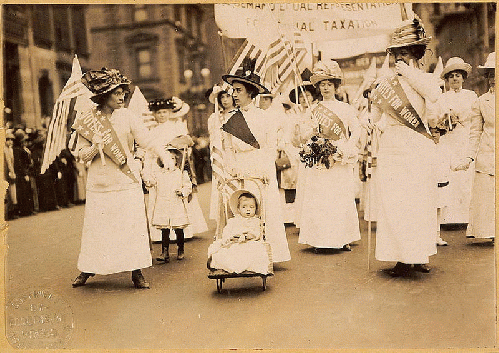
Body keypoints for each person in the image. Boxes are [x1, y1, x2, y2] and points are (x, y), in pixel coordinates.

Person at [71, 68, 171, 289]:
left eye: (123, 92)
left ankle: (137, 271)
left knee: (131, 227)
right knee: (98, 229)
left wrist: (164, 154)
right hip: (100, 182)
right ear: (104, 95)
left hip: (126, 181)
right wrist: (94, 147)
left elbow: (147, 140)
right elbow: (80, 155)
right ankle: (88, 267)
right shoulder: (88, 120)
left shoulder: (127, 116)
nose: (121, 96)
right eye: (116, 93)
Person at [370, 17, 441, 276]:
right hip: (393, 146)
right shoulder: (385, 83)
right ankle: (399, 257)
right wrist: (371, 116)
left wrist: (408, 73)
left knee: (418, 202)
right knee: (395, 202)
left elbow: (433, 96)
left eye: (406, 52)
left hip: (417, 146)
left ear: (416, 54)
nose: (400, 58)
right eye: (397, 53)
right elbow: (374, 117)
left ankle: (418, 255)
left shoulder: (423, 79)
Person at [222, 58, 291, 263]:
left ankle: (267, 256)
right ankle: (244, 257)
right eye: (233, 90)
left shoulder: (264, 118)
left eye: (238, 90)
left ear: (250, 93)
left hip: (260, 168)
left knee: (264, 210)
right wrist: (231, 168)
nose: (234, 94)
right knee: (241, 210)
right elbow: (227, 148)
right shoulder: (229, 119)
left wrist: (265, 171)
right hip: (239, 168)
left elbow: (269, 147)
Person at [295, 60, 361, 251]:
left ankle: (343, 238)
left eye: (329, 84)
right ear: (318, 87)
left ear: (335, 86)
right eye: (322, 85)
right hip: (319, 160)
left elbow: (355, 131)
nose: (325, 88)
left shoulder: (346, 108)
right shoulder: (312, 110)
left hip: (339, 158)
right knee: (321, 199)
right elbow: (304, 136)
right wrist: (312, 133)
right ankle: (320, 240)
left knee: (340, 198)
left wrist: (346, 149)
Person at [143, 98, 208, 242]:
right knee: (160, 197)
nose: (162, 115)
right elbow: (149, 151)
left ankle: (182, 230)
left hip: (175, 166)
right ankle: (160, 233)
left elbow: (185, 148)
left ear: (170, 113)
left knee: (177, 196)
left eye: (165, 112)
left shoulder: (176, 128)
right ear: (154, 114)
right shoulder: (152, 132)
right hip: (158, 168)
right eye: (159, 112)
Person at [433, 57, 478, 235]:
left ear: (463, 78)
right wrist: (446, 119)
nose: (454, 79)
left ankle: (466, 217)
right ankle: (449, 217)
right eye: (451, 76)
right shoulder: (442, 98)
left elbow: (475, 117)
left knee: (466, 177)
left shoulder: (471, 95)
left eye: (458, 75)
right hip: (449, 140)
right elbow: (437, 119)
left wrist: (461, 118)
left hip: (465, 138)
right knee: (450, 175)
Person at [454, 52, 495, 242]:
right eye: (490, 74)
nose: (493, 78)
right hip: (487, 156)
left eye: (496, 73)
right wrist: (468, 158)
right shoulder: (481, 101)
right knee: (487, 198)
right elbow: (475, 133)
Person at [208, 190, 272, 274]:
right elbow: (227, 232)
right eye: (244, 207)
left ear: (256, 208)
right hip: (234, 243)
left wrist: (247, 236)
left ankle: (241, 266)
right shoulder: (233, 221)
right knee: (226, 253)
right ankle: (226, 265)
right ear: (238, 209)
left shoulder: (255, 221)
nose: (248, 210)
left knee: (255, 251)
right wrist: (230, 238)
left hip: (249, 243)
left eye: (251, 207)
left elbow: (257, 233)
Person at [148, 148, 192, 262]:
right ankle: (165, 251)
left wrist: (182, 191)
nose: (169, 161)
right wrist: (149, 182)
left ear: (177, 161)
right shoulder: (158, 174)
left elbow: (188, 187)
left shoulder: (181, 173)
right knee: (165, 229)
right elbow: (152, 183)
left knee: (178, 228)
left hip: (176, 203)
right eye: (166, 158)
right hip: (163, 204)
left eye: (172, 158)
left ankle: (180, 249)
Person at [207, 86, 237, 234]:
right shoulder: (215, 118)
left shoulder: (238, 114)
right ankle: (224, 221)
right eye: (222, 97)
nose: (225, 100)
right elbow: (212, 138)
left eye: (227, 96)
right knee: (221, 186)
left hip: (234, 154)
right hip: (220, 155)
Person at [288, 75, 317, 228]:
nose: (305, 99)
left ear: (313, 96)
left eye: (307, 95)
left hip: (318, 153)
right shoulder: (296, 116)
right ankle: (307, 223)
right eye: (301, 96)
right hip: (304, 155)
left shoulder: (318, 111)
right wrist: (297, 132)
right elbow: (294, 140)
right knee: (305, 188)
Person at [4, 131, 18, 220]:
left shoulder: (10, 149)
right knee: (8, 193)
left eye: (11, 140)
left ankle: (12, 212)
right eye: (8, 139)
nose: (10, 142)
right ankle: (8, 213)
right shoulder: (5, 150)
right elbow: (8, 163)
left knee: (12, 192)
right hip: (6, 173)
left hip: (10, 172)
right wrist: (11, 172)